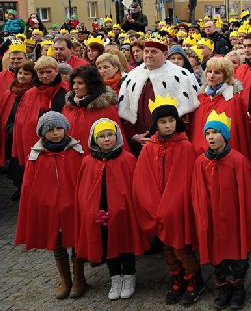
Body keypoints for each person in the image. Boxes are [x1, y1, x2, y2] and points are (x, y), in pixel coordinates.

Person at [192, 111, 251, 310]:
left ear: (225, 135)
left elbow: (248, 195)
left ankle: (238, 289)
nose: (211, 137)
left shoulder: (238, 161)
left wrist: (245, 218)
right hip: (213, 218)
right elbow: (197, 193)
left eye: (216, 132)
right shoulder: (201, 162)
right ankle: (224, 288)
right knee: (218, 258)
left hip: (234, 219)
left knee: (238, 258)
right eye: (208, 133)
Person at [132, 96, 205, 306]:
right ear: (156, 124)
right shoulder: (148, 149)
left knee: (181, 247)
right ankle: (176, 277)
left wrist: (170, 206)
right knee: (167, 248)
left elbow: (185, 181)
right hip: (158, 209)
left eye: (171, 121)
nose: (167, 125)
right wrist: (154, 205)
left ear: (177, 122)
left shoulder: (185, 147)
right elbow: (142, 181)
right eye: (163, 122)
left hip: (177, 209)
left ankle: (193, 279)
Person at [75, 119, 148, 300]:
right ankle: (115, 278)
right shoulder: (88, 162)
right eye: (102, 136)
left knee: (126, 244)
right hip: (101, 213)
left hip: (124, 213)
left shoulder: (127, 159)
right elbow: (83, 191)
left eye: (110, 135)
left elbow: (135, 187)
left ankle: (129, 277)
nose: (107, 139)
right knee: (108, 245)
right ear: (94, 139)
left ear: (117, 136)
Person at [15, 112, 86, 299]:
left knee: (77, 245)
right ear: (42, 133)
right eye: (51, 130)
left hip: (73, 208)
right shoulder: (36, 155)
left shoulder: (76, 151)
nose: (56, 133)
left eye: (59, 129)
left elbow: (83, 179)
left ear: (65, 129)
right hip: (51, 210)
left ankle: (80, 279)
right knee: (58, 245)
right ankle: (65, 280)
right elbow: (30, 186)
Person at [118, 34, 199, 156]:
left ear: (165, 55)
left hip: (173, 145)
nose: (149, 55)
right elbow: (125, 111)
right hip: (141, 145)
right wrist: (134, 135)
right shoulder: (133, 75)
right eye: (146, 51)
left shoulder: (182, 75)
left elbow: (187, 115)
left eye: (154, 52)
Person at [190, 57, 251, 161]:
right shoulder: (201, 99)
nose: (212, 75)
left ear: (226, 76)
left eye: (217, 72)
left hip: (226, 157)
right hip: (201, 157)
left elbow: (240, 135)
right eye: (209, 72)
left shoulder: (234, 100)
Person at [12, 56, 67, 171]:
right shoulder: (30, 93)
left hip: (59, 139)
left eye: (48, 72)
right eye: (41, 72)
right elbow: (21, 120)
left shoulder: (66, 91)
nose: (45, 75)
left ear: (56, 71)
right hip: (32, 138)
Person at [62, 66, 124, 155]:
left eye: (80, 83)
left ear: (91, 85)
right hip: (70, 160)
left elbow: (117, 142)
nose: (75, 87)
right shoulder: (69, 107)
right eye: (73, 83)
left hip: (94, 161)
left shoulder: (105, 109)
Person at [0, 61, 36, 200]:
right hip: (13, 135)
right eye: (20, 73)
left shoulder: (34, 92)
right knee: (17, 167)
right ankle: (20, 189)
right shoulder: (10, 92)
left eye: (26, 74)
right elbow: (7, 115)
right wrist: (12, 130)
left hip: (30, 137)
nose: (22, 76)